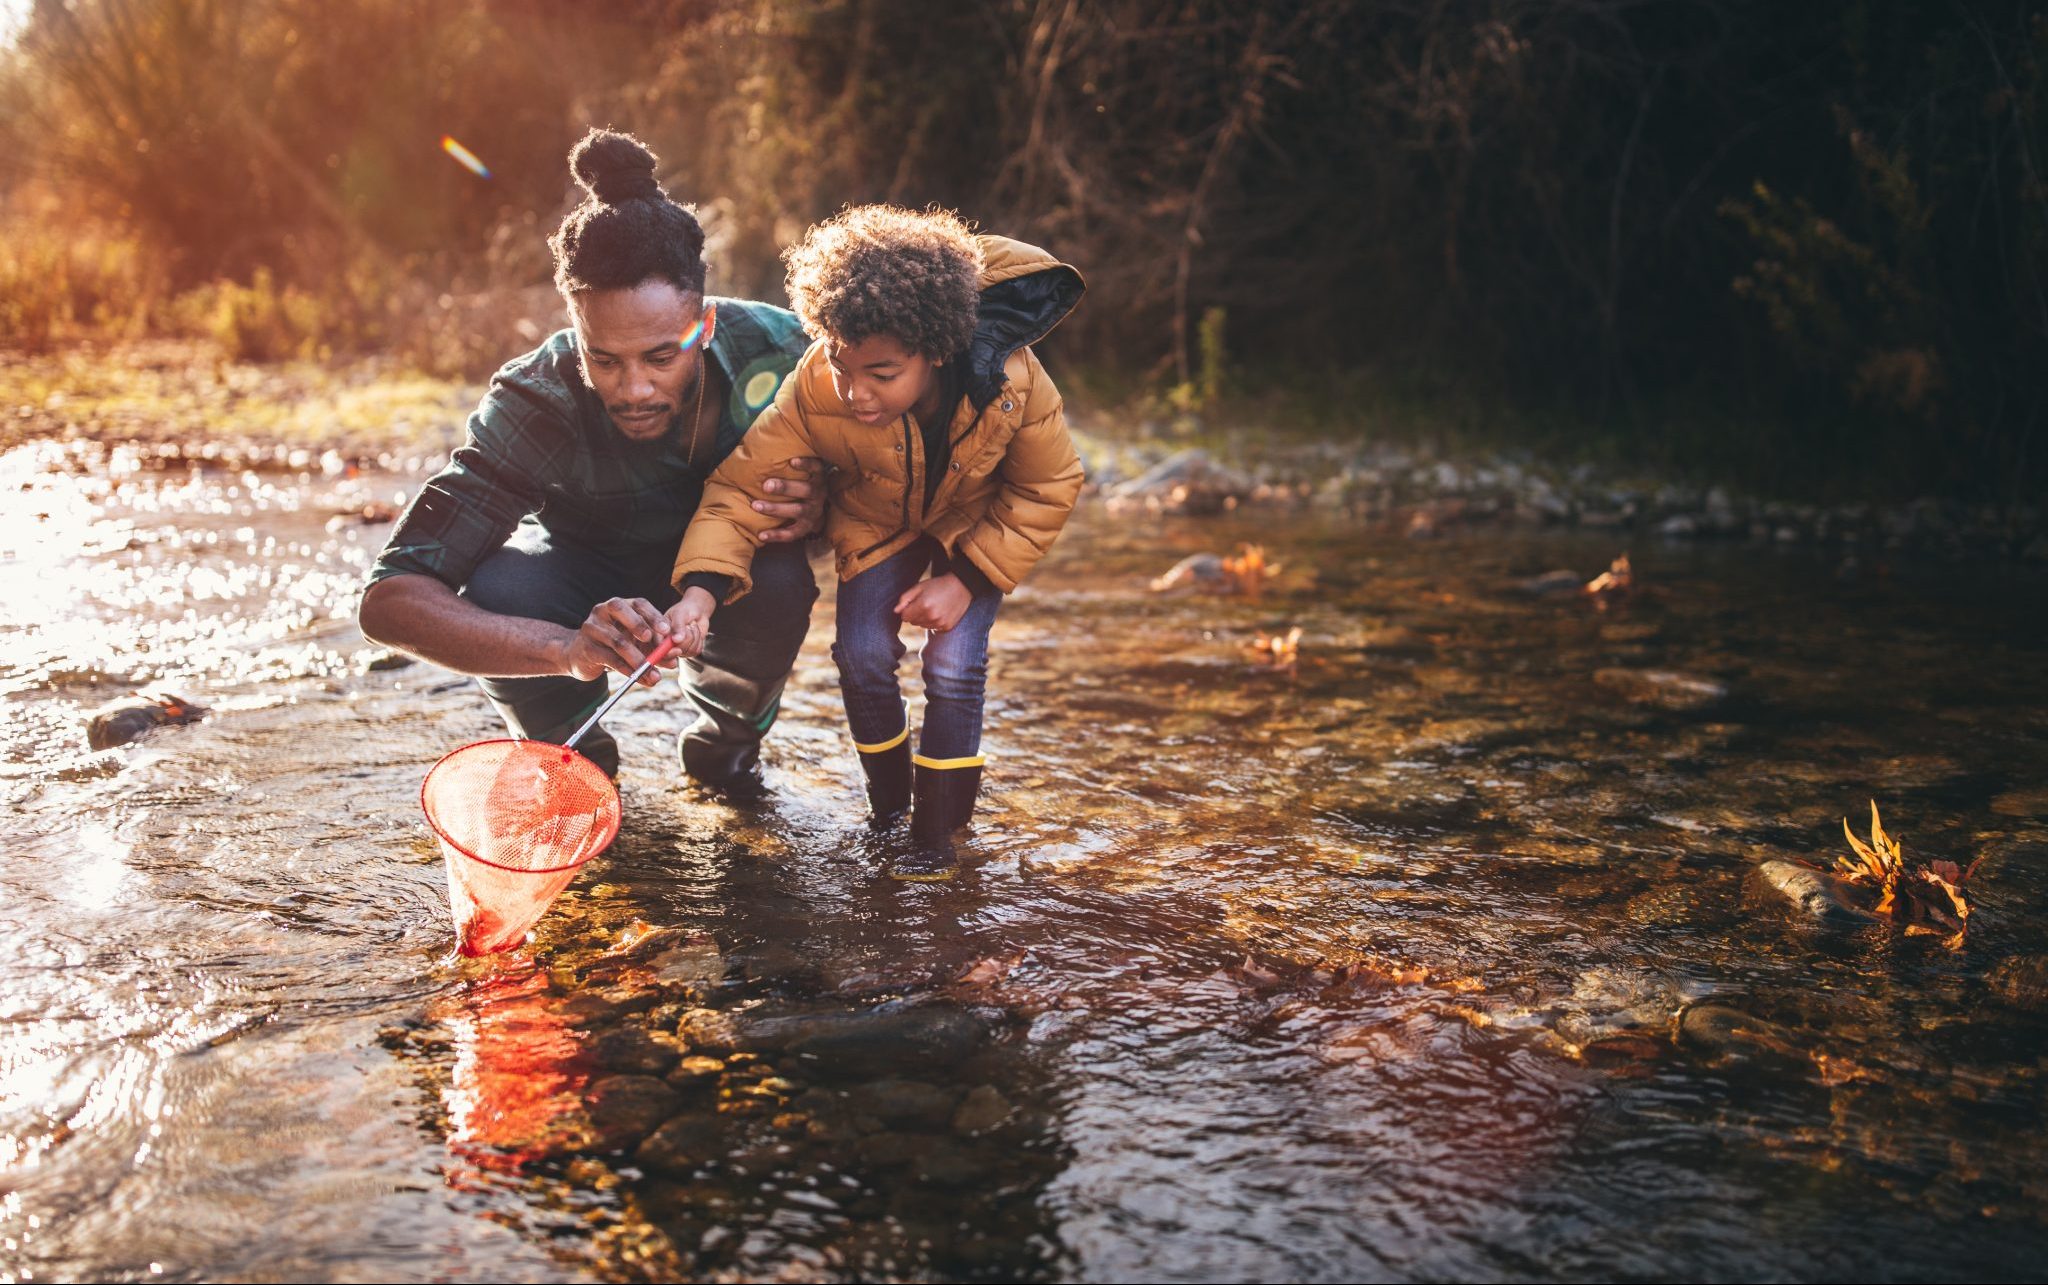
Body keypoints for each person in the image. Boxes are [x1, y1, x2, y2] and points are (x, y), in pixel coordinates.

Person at [358, 128, 826, 790]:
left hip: (734, 580)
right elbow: (388, 599)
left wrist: (826, 505)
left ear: (707, 324)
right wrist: (563, 650)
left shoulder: (788, 355)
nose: (634, 389)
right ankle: (578, 769)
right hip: (578, 579)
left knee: (782, 579)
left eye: (662, 357)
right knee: (500, 588)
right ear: (574, 325)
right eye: (603, 358)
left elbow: (909, 474)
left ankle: (727, 747)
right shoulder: (534, 399)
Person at [664, 205, 1085, 880]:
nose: (856, 393)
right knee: (859, 654)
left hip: (971, 531)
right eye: (842, 366)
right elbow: (741, 489)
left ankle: (937, 835)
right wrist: (701, 592)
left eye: (881, 374)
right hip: (874, 523)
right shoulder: (814, 387)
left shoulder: (1012, 382)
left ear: (937, 349)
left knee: (953, 663)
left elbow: (1050, 484)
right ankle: (889, 813)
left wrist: (969, 580)